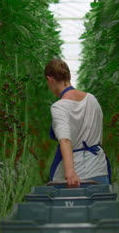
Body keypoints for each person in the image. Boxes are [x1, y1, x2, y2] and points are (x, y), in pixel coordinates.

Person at [44, 58, 111, 187]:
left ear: (50, 79)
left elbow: (65, 140)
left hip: (76, 175)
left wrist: (70, 173)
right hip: (99, 169)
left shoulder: (59, 107)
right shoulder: (92, 100)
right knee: (101, 205)